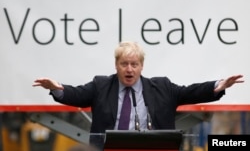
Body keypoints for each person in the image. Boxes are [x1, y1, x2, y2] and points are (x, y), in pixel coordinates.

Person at [33, 41, 244, 150]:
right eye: (124, 64)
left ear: (142, 66)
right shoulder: (101, 85)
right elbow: (76, 95)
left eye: (134, 64)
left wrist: (218, 85)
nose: (129, 69)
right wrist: (57, 87)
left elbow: (191, 91)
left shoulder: (161, 87)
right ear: (116, 65)